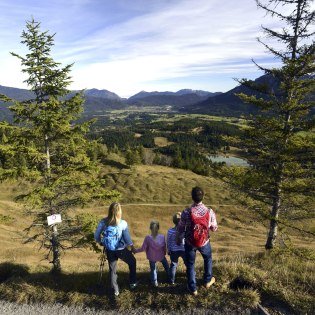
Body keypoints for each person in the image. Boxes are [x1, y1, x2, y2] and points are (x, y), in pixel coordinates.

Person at [177, 187, 218, 296]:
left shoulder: (186, 212)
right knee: (207, 258)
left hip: (190, 242)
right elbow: (214, 228)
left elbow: (181, 228)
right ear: (203, 197)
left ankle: (193, 288)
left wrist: (179, 238)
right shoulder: (209, 211)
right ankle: (207, 281)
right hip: (204, 241)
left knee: (190, 264)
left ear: (192, 197)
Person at [94, 202, 137, 296]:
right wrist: (132, 247)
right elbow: (127, 238)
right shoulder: (123, 223)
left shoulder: (103, 222)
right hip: (120, 249)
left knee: (112, 270)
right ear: (119, 212)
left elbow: (96, 235)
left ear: (109, 210)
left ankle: (115, 290)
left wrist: (101, 242)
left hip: (109, 249)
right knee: (132, 262)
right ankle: (132, 283)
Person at [134, 220, 170, 287]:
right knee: (167, 266)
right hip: (161, 255)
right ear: (158, 228)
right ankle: (171, 277)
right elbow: (164, 247)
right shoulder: (162, 237)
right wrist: (164, 253)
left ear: (150, 228)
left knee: (153, 269)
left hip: (152, 257)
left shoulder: (147, 238)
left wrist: (135, 251)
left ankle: (155, 282)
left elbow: (143, 248)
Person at [167, 212, 186, 284]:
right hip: (184, 249)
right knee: (188, 263)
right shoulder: (185, 230)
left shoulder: (170, 231)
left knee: (173, 265)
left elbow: (168, 241)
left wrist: (168, 249)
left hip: (173, 250)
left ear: (173, 221)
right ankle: (190, 276)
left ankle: (171, 281)